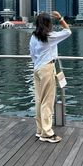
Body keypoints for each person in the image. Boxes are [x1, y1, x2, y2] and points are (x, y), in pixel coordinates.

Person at [30, 11, 71, 143]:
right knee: (47, 101)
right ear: (48, 24)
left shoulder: (34, 36)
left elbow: (33, 55)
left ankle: (40, 130)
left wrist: (38, 65)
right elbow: (68, 31)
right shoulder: (49, 36)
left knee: (39, 100)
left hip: (37, 69)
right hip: (47, 68)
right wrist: (60, 18)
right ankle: (47, 133)